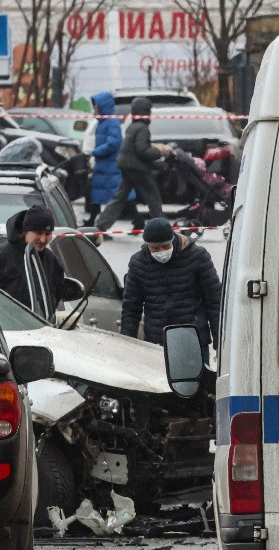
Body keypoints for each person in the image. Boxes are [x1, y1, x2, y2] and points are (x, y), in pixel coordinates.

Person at [121, 218, 222, 360]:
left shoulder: (197, 256)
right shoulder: (138, 263)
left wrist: (220, 345)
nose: (161, 252)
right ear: (147, 245)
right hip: (157, 343)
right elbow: (131, 308)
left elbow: (215, 302)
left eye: (165, 246)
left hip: (194, 341)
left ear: (173, 240)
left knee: (199, 382)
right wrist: (127, 345)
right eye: (155, 248)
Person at [0, 204, 66, 319]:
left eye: (47, 234)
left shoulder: (52, 261)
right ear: (25, 231)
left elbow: (56, 295)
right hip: (6, 331)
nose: (43, 239)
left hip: (43, 330)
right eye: (38, 233)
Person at [94, 97, 171, 231]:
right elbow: (142, 151)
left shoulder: (132, 126)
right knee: (153, 198)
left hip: (126, 165)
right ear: (145, 112)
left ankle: (100, 226)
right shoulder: (142, 128)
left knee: (119, 198)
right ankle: (163, 228)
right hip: (136, 168)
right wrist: (161, 153)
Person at [86, 91, 123, 226]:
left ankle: (95, 222)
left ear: (103, 106)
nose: (94, 108)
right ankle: (92, 220)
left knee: (116, 195)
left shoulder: (111, 122)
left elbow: (113, 143)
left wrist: (96, 152)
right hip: (104, 164)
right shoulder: (102, 122)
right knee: (100, 193)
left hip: (110, 164)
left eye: (96, 105)